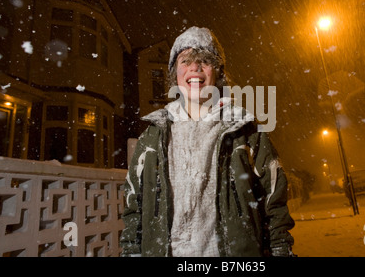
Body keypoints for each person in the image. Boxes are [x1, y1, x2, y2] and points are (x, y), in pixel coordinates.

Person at [120, 26, 295, 257]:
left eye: (204, 60)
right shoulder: (152, 137)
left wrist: (280, 251)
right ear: (174, 75)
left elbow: (274, 200)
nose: (194, 67)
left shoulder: (247, 131)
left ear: (219, 72)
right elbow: (134, 207)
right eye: (185, 61)